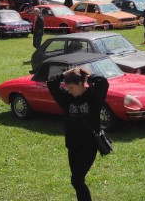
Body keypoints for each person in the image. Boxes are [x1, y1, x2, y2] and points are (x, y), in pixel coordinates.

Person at [45, 68, 109, 201]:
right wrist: (66, 73)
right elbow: (51, 83)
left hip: (89, 146)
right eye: (67, 88)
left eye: (71, 87)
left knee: (76, 180)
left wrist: (88, 76)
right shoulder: (66, 99)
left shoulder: (93, 98)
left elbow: (102, 82)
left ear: (80, 84)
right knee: (77, 181)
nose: (69, 90)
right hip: (73, 146)